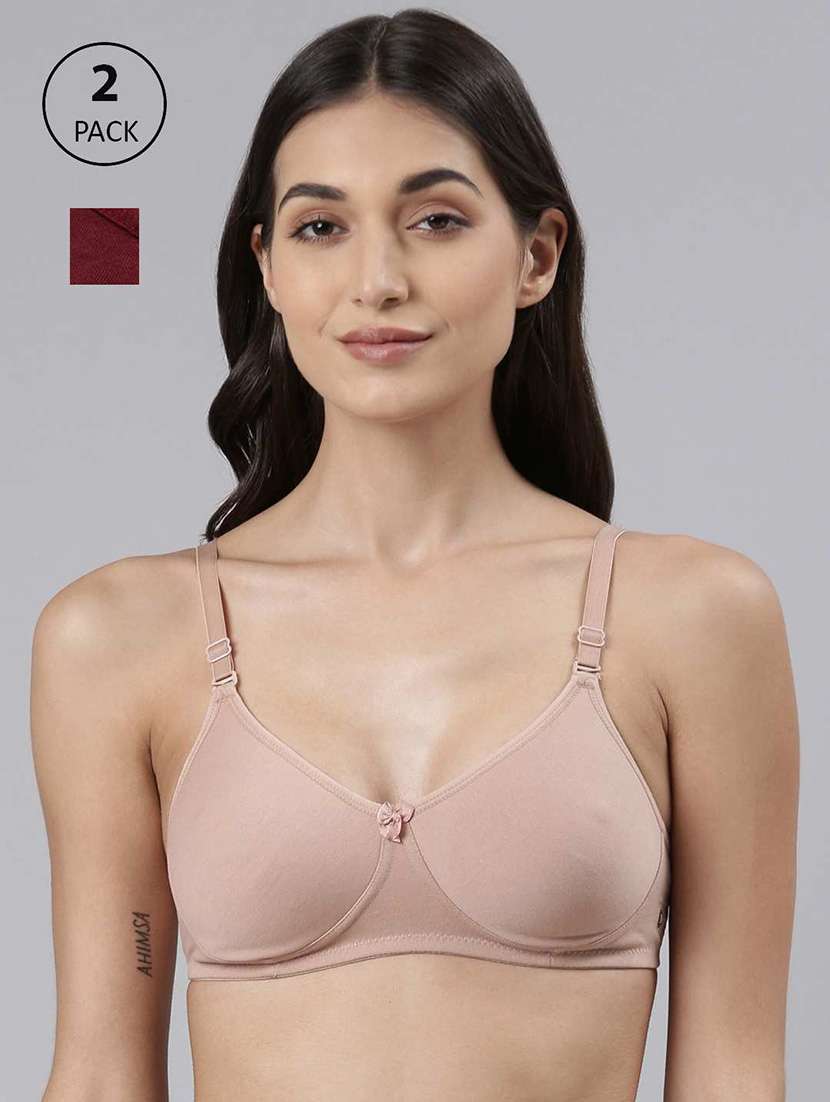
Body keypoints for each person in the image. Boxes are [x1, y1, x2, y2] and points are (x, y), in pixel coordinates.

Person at [32, 9, 799, 1101]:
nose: (378, 281)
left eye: (436, 220)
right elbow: (102, 1075)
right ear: (268, 268)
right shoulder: (117, 639)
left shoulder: (691, 616)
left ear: (535, 255)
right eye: (320, 227)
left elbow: (733, 1073)